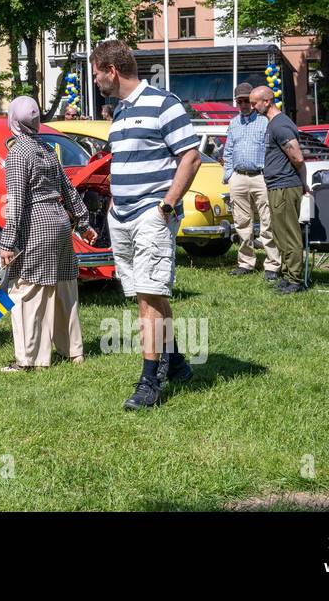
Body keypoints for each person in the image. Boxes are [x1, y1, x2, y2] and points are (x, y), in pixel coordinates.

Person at [91, 39, 201, 411]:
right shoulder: (120, 112)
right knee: (151, 293)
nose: (94, 81)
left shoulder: (163, 103)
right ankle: (180, 363)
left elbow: (191, 157)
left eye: (95, 73)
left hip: (151, 216)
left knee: (146, 296)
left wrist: (166, 207)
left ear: (111, 70)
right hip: (122, 217)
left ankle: (149, 381)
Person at [0, 95, 96, 371]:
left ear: (14, 121)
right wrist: (85, 224)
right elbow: (68, 189)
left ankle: (30, 360)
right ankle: (74, 351)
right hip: (61, 225)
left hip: (37, 227)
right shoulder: (47, 149)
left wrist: (6, 243)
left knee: (26, 292)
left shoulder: (18, 153)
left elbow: (16, 200)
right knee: (65, 289)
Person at [250, 86, 309, 294]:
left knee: (289, 234)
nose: (252, 107)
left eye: (254, 102)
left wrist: (302, 183)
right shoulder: (273, 123)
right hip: (277, 185)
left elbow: (297, 157)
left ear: (267, 101)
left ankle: (295, 280)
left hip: (285, 185)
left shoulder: (280, 125)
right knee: (280, 233)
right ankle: (285, 274)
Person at [223, 83, 279, 281]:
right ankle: (245, 262)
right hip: (238, 176)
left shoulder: (265, 122)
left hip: (261, 176)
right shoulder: (233, 123)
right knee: (241, 222)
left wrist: (268, 175)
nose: (244, 104)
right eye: (240, 101)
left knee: (267, 221)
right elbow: (228, 150)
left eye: (247, 100)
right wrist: (229, 174)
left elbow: (273, 150)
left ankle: (272, 264)